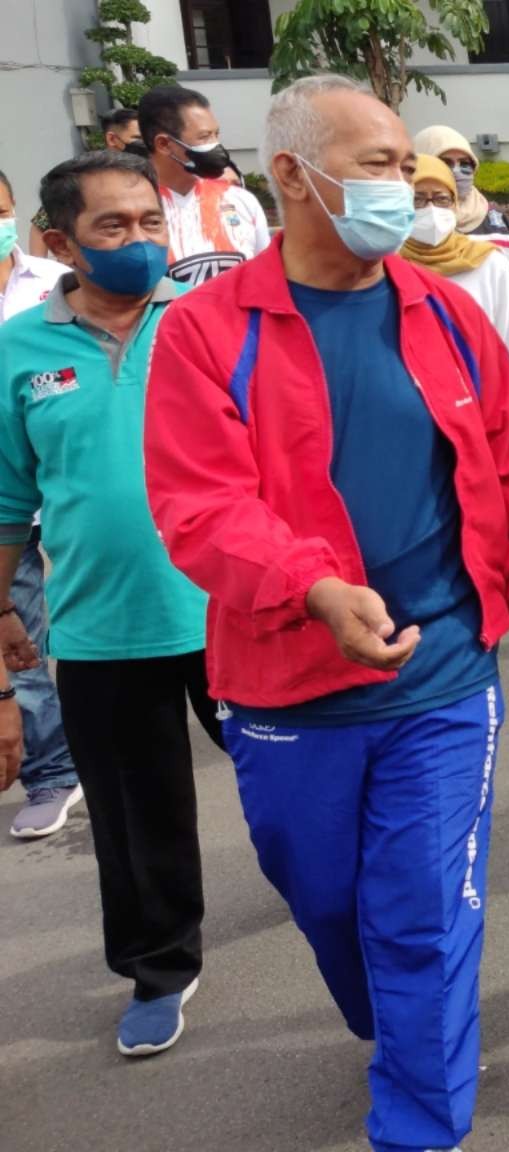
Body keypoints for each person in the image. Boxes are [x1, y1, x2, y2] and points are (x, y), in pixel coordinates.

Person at [145, 74, 509, 1152]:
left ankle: (419, 1119)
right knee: (327, 901)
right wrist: (315, 589)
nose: (408, 186)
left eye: (407, 166)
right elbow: (200, 505)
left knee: (421, 916)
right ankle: (406, 1026)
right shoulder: (205, 332)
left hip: (442, 675)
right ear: (290, 175)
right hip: (288, 684)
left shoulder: (451, 317)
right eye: (378, 164)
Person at [0, 151, 220, 1057]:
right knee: (137, 820)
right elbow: (10, 503)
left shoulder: (211, 320)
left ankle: (349, 921)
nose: (140, 242)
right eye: (113, 228)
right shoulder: (19, 352)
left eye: (150, 223)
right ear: (61, 245)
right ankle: (159, 968)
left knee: (304, 795)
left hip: (237, 612)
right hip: (100, 627)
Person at [402, 153, 509, 542]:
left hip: (486, 431)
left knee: (499, 537)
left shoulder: (489, 266)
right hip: (413, 442)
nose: (431, 210)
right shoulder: (383, 267)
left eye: (441, 199)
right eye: (419, 199)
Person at [0, 169, 80, 841]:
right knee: (21, 639)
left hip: (63, 484)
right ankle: (52, 774)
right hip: (5, 498)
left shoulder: (56, 281)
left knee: (72, 627)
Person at [413, 125, 509, 369]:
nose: (458, 171)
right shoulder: (412, 226)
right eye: (445, 162)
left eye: (466, 163)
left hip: (493, 357)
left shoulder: (499, 223)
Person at [139, 85, 269, 285]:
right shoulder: (135, 211)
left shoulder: (239, 200)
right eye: (204, 137)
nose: (216, 145)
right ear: (164, 144)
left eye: (216, 134)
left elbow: (266, 274)